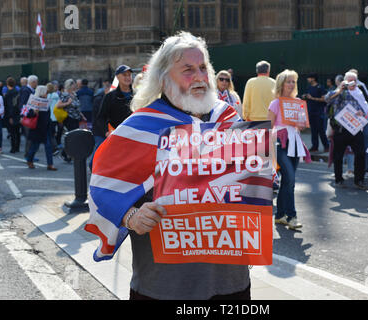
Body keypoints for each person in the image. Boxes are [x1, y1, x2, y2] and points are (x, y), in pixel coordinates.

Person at [85, 31, 248, 300]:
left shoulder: (228, 119)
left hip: (231, 281)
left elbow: (250, 185)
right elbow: (101, 187)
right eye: (187, 70)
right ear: (163, 79)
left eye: (202, 68)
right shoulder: (140, 127)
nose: (199, 76)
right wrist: (132, 217)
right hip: (165, 286)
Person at [268, 70, 308, 230]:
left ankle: (279, 215)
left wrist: (301, 124)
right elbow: (269, 126)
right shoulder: (275, 103)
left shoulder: (298, 102)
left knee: (287, 180)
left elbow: (303, 125)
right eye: (288, 81)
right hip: (279, 141)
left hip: (295, 142)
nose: (291, 84)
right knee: (290, 178)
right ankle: (292, 216)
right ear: (281, 84)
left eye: (293, 82)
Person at [325, 71, 368, 190]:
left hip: (356, 129)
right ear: (344, 81)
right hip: (341, 129)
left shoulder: (359, 93)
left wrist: (362, 113)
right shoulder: (340, 92)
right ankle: (338, 179)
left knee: (360, 153)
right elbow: (327, 99)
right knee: (338, 155)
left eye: (354, 80)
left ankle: (359, 180)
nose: (352, 83)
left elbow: (365, 108)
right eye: (349, 80)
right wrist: (339, 89)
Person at [25, 85, 57, 171]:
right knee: (35, 146)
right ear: (42, 93)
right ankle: (29, 160)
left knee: (48, 146)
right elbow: (26, 114)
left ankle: (50, 164)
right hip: (37, 128)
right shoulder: (33, 101)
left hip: (45, 127)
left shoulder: (46, 101)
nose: (47, 94)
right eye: (46, 92)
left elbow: (48, 114)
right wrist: (34, 112)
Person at [97, 65, 134, 135]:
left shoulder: (137, 95)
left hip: (135, 134)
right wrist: (106, 132)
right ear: (117, 77)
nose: (128, 77)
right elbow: (101, 117)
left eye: (129, 75)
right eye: (124, 75)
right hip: (117, 135)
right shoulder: (110, 96)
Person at [56, 79, 87, 162]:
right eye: (74, 84)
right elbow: (58, 105)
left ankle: (69, 154)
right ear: (70, 85)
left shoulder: (74, 94)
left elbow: (77, 107)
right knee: (71, 137)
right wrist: (67, 103)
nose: (75, 86)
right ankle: (65, 153)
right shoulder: (65, 95)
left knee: (74, 136)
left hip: (76, 117)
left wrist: (81, 115)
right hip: (69, 118)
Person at [303, 73, 329, 153]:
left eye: (309, 78)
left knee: (321, 130)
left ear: (313, 79)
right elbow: (307, 96)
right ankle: (315, 146)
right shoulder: (309, 87)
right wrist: (305, 96)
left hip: (319, 112)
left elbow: (324, 99)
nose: (308, 80)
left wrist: (312, 98)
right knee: (313, 130)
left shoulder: (320, 88)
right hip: (311, 112)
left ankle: (326, 146)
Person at [19, 75, 38, 158]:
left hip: (29, 116)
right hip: (28, 117)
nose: (37, 84)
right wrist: (25, 115)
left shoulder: (29, 90)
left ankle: (29, 155)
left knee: (31, 137)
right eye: (36, 82)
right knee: (30, 137)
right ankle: (28, 155)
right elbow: (23, 105)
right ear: (33, 82)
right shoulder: (26, 90)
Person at [4, 77, 21, 153]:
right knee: (17, 132)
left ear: (7, 84)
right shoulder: (17, 92)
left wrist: (10, 116)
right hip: (17, 113)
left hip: (11, 114)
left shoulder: (8, 93)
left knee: (12, 132)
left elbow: (10, 106)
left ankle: (13, 148)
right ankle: (17, 147)